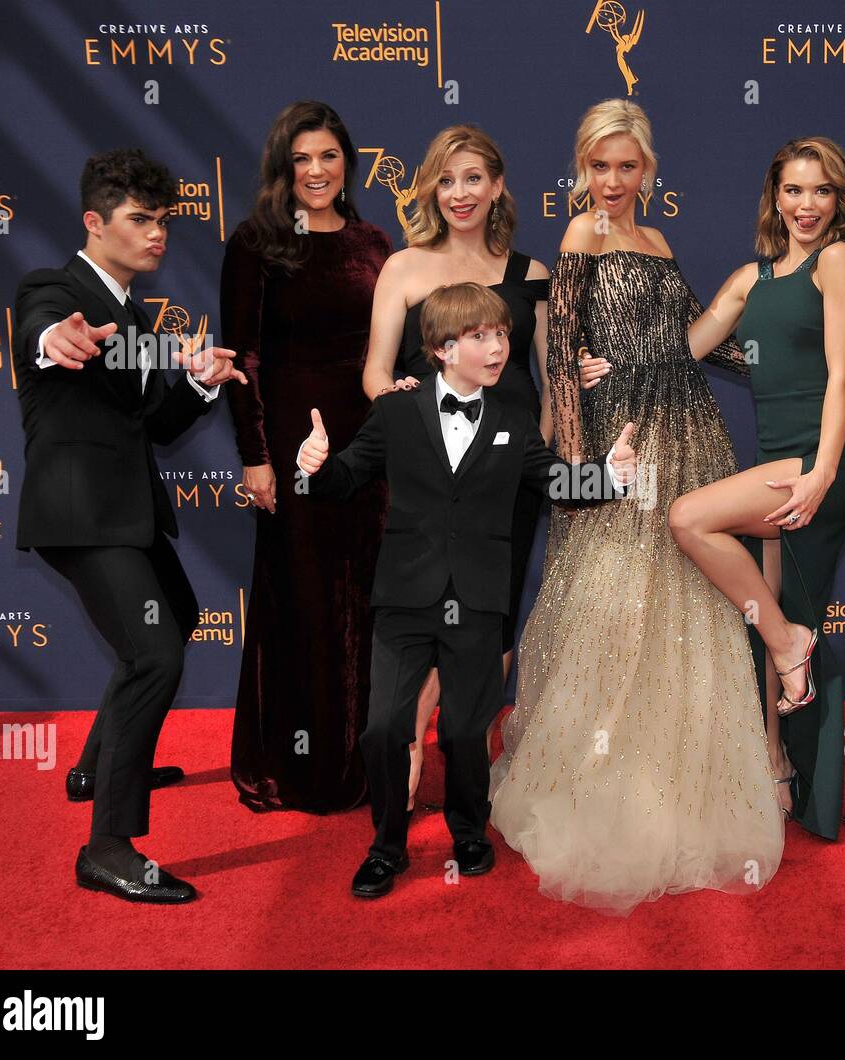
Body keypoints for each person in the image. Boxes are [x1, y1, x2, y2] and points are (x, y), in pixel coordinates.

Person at [489, 99, 785, 915]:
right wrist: (579, 463)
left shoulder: (658, 242)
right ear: (581, 169)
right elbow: (561, 355)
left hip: (688, 431)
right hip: (619, 439)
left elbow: (694, 333)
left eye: (627, 166)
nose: (613, 181)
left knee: (687, 604)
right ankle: (603, 778)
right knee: (612, 607)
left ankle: (684, 785)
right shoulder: (579, 237)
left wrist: (774, 358)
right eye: (599, 166)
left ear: (648, 170)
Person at [294, 283, 635, 898]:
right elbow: (345, 477)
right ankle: (387, 845)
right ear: (441, 348)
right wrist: (312, 467)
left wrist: (607, 478)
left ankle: (468, 830)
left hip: (478, 597)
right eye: (480, 336)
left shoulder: (510, 418)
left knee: (465, 728)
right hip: (403, 595)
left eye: (502, 334)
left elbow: (553, 479)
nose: (498, 347)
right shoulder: (397, 411)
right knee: (384, 727)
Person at [13, 147, 246, 902]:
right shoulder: (55, 288)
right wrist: (54, 340)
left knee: (177, 616)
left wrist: (201, 388)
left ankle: (96, 766)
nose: (157, 235)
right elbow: (43, 332)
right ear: (94, 222)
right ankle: (108, 846)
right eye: (139, 220)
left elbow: (150, 423)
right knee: (153, 655)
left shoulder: (137, 315)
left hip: (127, 510)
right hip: (82, 513)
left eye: (163, 221)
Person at [666, 137, 845, 839]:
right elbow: (682, 350)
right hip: (782, 461)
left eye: (821, 191)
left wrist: (823, 472)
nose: (806, 205)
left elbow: (843, 376)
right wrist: (610, 366)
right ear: (774, 198)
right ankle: (782, 768)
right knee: (768, 611)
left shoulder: (837, 261)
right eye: (794, 190)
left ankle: (793, 649)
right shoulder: (750, 279)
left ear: (838, 200)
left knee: (690, 518)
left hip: (818, 462)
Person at [360, 124, 550, 812]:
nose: (460, 193)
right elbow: (378, 374)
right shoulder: (404, 269)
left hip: (510, 472)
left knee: (489, 617)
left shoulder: (533, 277)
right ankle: (412, 733)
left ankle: (461, 745)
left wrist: (543, 465)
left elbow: (550, 386)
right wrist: (405, 426)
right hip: (431, 476)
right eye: (446, 179)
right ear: (430, 190)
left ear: (497, 186)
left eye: (474, 178)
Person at [223, 101, 392, 813]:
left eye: (328, 156)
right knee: (302, 597)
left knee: (363, 599)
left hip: (367, 442)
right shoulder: (258, 241)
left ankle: (362, 760)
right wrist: (256, 456)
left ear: (347, 162)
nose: (317, 171)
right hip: (293, 440)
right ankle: (297, 766)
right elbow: (242, 358)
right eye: (302, 159)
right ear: (282, 168)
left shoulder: (373, 243)